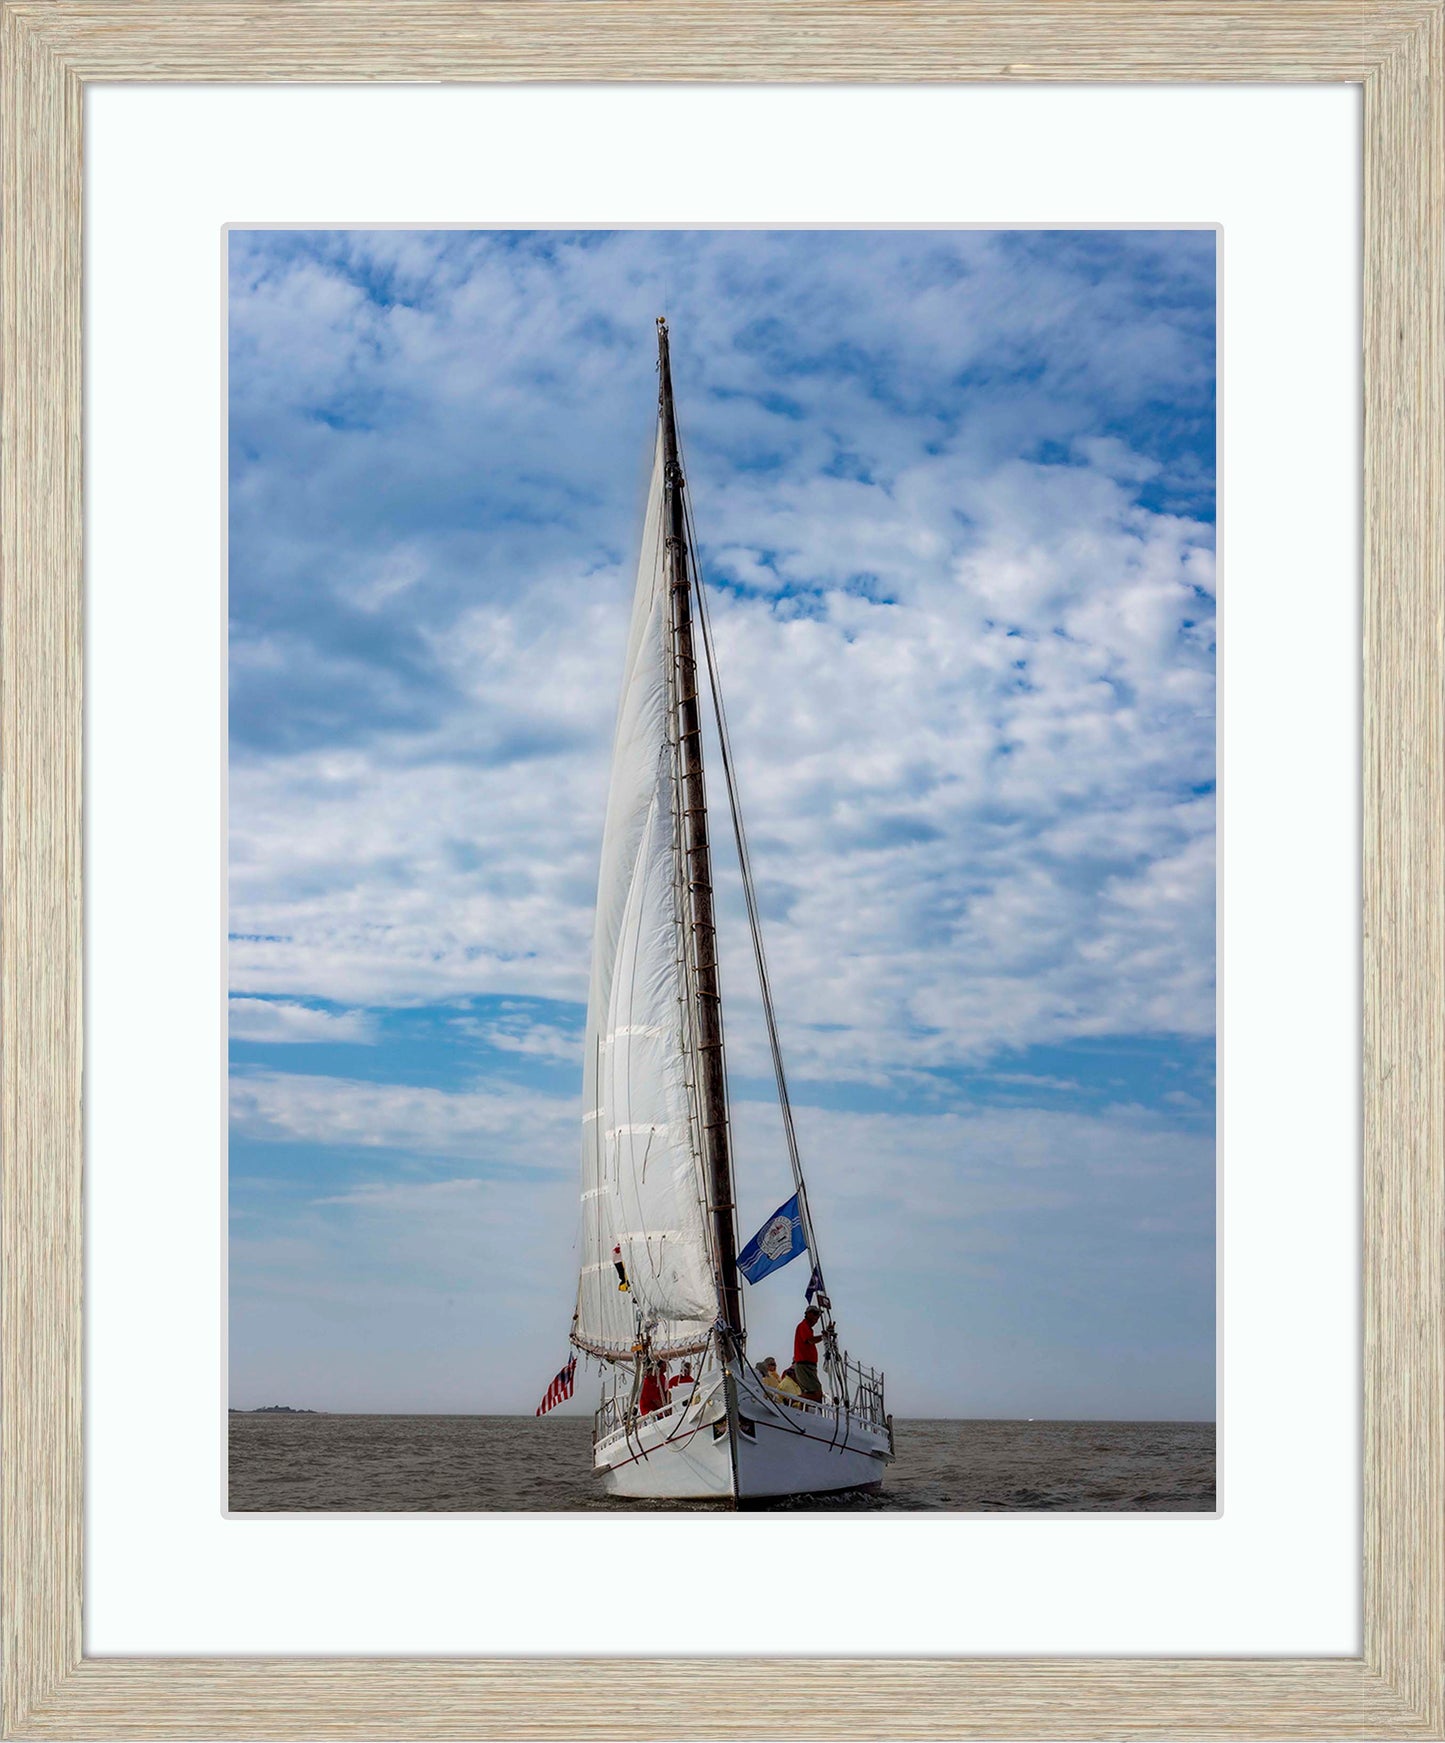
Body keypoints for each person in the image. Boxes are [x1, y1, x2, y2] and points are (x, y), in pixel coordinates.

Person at [793, 1304, 826, 1401]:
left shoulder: (807, 1328)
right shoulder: (803, 1326)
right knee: (817, 1394)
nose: (817, 1318)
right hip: (804, 1365)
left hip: (808, 1366)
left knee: (809, 1393)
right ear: (808, 1314)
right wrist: (823, 1336)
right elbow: (810, 1340)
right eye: (815, 1314)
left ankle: (801, 1411)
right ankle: (793, 1400)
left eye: (818, 1315)